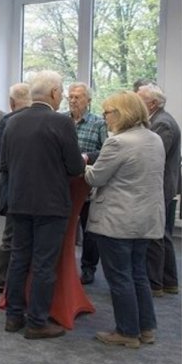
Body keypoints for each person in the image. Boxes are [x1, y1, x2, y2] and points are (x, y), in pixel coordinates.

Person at [0, 70, 85, 339]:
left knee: (19, 259)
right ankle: (37, 321)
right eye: (62, 92)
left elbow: (2, 163)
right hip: (51, 204)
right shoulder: (62, 123)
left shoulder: (12, 121)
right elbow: (75, 167)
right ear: (54, 93)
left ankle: (13, 316)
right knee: (44, 264)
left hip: (18, 200)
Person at [83, 91, 163, 348]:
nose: (104, 117)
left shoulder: (118, 142)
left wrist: (81, 164)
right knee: (138, 274)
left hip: (117, 220)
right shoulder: (154, 138)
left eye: (107, 112)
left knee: (119, 277)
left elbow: (96, 178)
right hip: (145, 219)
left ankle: (127, 332)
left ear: (122, 113)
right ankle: (146, 328)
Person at [0, 82, 31, 293]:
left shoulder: (8, 121)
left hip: (14, 189)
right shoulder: (52, 121)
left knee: (10, 237)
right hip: (42, 194)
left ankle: (2, 280)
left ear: (11, 102)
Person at [137, 84, 181, 297]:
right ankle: (169, 282)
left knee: (156, 234)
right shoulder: (159, 120)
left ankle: (155, 284)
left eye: (140, 99)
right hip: (161, 184)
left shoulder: (162, 123)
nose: (136, 102)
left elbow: (153, 155)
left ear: (153, 103)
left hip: (159, 186)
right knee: (162, 233)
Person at [64, 82, 108, 285]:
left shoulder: (98, 123)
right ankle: (63, 265)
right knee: (62, 225)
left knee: (88, 227)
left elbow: (107, 151)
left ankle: (88, 267)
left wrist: (86, 156)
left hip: (87, 182)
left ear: (88, 101)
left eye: (78, 97)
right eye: (71, 96)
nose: (73, 100)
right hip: (63, 182)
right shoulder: (61, 120)